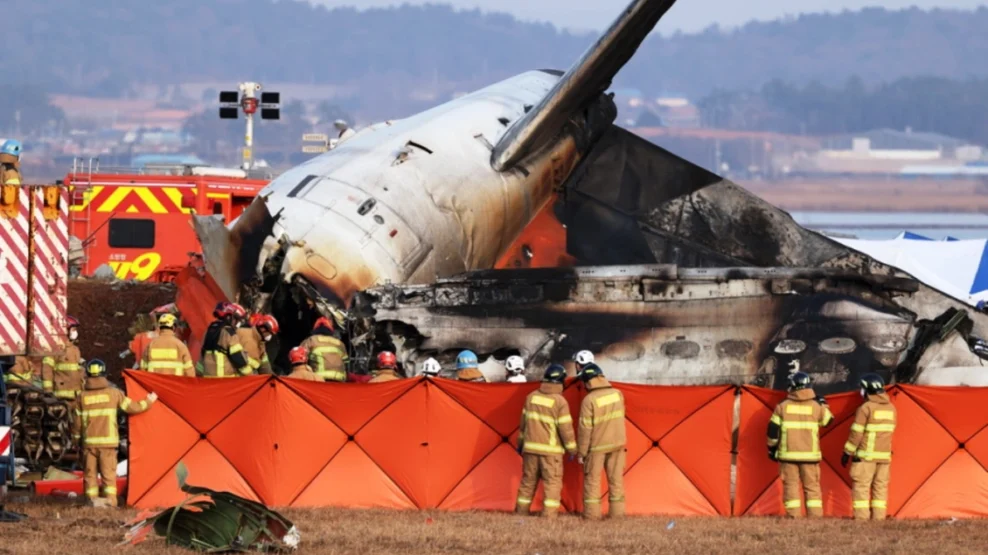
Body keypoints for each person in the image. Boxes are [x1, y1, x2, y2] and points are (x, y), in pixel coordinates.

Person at [72, 359, 157, 508]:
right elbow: (133, 407)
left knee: (90, 475)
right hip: (108, 443)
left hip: (89, 444)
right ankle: (110, 502)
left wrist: (77, 442)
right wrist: (149, 401)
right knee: (108, 475)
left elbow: (76, 424)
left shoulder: (81, 397)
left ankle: (91, 501)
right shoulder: (114, 394)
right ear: (104, 373)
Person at [767, 371, 834, 518]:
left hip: (788, 456)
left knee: (791, 486)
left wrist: (771, 449)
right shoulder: (816, 406)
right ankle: (815, 517)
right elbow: (828, 421)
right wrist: (823, 404)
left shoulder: (782, 406)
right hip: (810, 456)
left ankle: (793, 517)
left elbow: (772, 430)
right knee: (812, 488)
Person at [515, 364, 576, 518]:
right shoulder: (559, 401)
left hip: (530, 449)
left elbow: (523, 425)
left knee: (528, 482)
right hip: (551, 452)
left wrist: (520, 444)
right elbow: (566, 429)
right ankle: (549, 516)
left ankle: (521, 513)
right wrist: (572, 449)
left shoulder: (531, 397)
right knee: (552, 483)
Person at [843, 373, 897, 521]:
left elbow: (856, 433)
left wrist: (847, 452)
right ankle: (878, 519)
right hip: (884, 457)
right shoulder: (891, 408)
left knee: (861, 488)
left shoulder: (865, 408)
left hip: (866, 456)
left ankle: (861, 519)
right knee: (880, 489)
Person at [576, 362, 626, 520]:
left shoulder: (589, 400)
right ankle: (617, 515)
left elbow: (585, 429)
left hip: (597, 447)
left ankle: (592, 516)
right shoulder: (617, 394)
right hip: (618, 444)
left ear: (587, 382)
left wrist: (581, 453)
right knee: (616, 480)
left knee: (592, 481)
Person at [199, 302, 251, 378]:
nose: (238, 323)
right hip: (225, 380)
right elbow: (239, 359)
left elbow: (202, 356)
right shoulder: (229, 333)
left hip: (208, 379)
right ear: (230, 317)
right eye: (237, 320)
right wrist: (252, 376)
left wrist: (199, 375)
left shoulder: (209, 330)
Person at [42, 316, 84, 402]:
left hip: (76, 396)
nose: (75, 332)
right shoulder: (54, 349)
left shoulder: (75, 349)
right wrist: (48, 390)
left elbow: (79, 372)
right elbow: (47, 370)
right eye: (73, 329)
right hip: (60, 397)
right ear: (65, 330)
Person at [300, 317, 348, 382]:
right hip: (339, 378)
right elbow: (346, 363)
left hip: (319, 379)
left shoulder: (311, 340)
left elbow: (299, 358)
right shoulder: (340, 343)